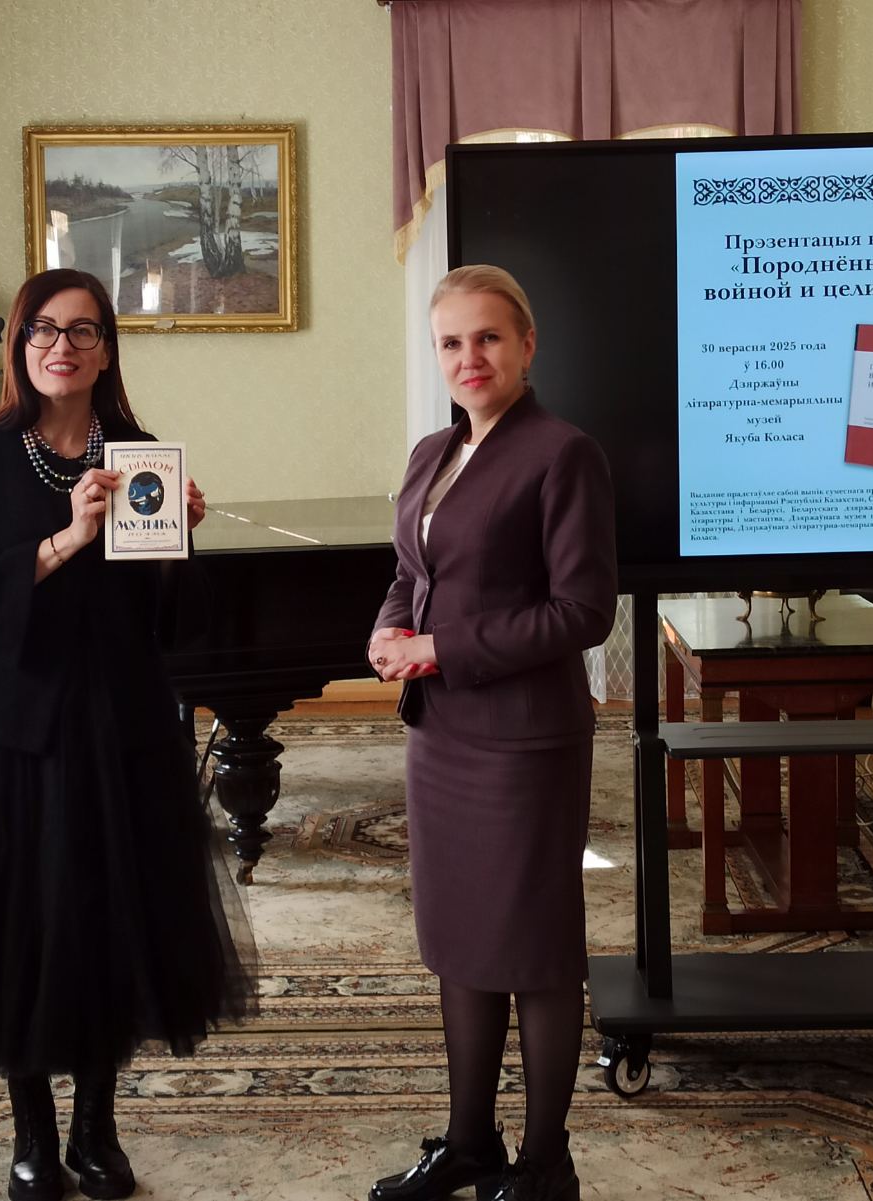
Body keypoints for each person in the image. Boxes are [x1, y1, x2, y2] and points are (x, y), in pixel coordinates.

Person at [0, 267, 255, 1201]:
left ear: (106, 350)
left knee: (112, 924)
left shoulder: (144, 453)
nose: (61, 346)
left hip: (122, 723)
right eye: (43, 328)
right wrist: (70, 534)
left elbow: (171, 623)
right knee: (16, 932)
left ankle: (96, 1129)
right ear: (20, 345)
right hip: (6, 731)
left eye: (82, 330)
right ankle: (32, 1130)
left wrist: (177, 544)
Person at [367, 265, 617, 1201]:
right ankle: (469, 1141)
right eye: (450, 342)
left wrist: (439, 647)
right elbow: (412, 571)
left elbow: (583, 611)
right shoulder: (432, 451)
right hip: (441, 736)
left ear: (527, 345)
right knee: (462, 939)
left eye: (488, 338)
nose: (468, 357)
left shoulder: (563, 453)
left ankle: (546, 1162)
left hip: (524, 744)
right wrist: (390, 630)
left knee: (536, 949)